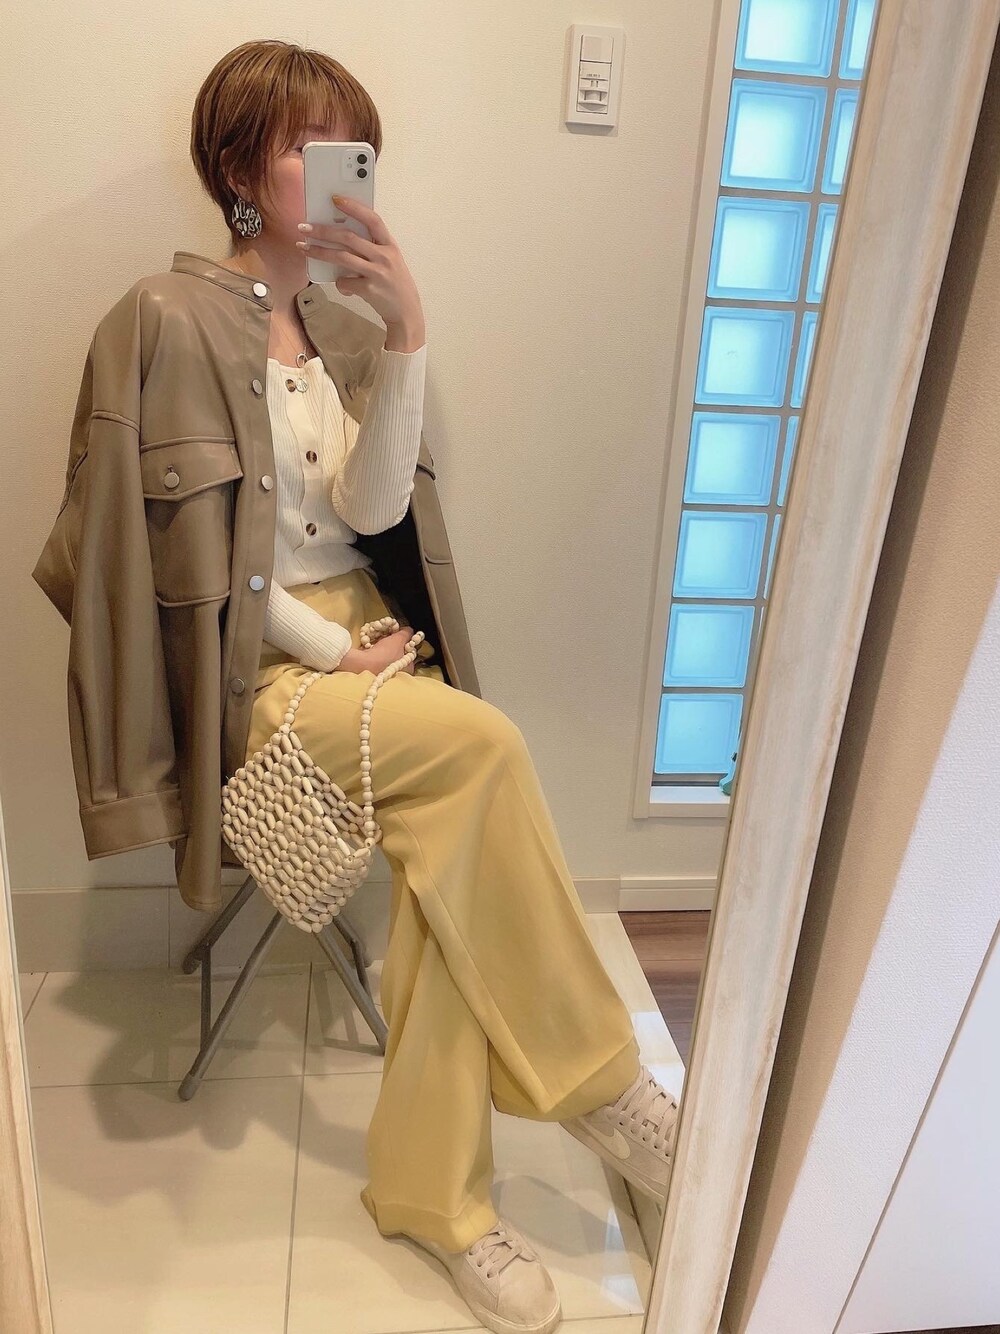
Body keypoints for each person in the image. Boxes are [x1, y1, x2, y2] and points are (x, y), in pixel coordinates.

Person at [190, 39, 680, 1334]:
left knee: (447, 875)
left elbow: (368, 509)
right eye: (305, 146)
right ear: (236, 165)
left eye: (351, 150)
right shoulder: (175, 325)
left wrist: (405, 333)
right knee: (484, 746)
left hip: (370, 648)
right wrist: (324, 649)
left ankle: (435, 1200)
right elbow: (194, 561)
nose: (336, 172)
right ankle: (605, 1085)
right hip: (261, 671)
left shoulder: (334, 335)